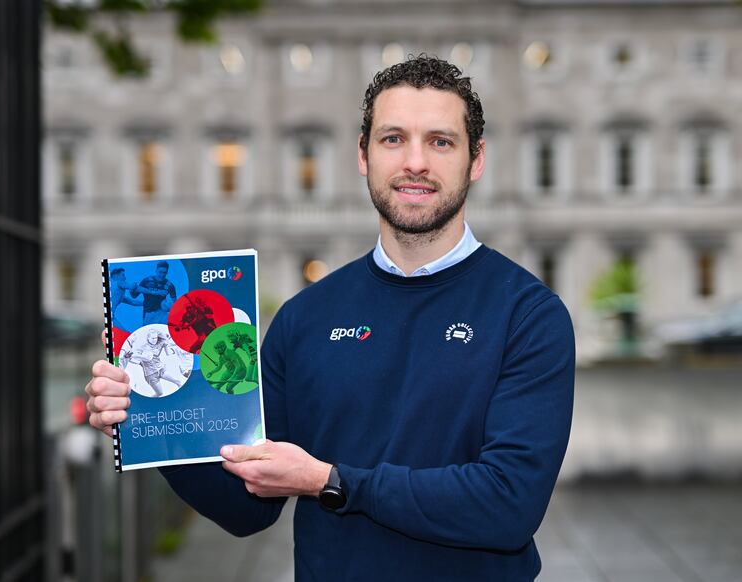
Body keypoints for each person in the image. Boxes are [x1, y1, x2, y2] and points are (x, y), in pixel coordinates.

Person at [86, 55, 575, 580]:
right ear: (363, 154)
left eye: (440, 141)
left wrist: (331, 481)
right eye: (393, 139)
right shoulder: (305, 317)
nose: (415, 162)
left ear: (475, 159)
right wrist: (152, 415)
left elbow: (508, 505)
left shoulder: (528, 315)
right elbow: (245, 508)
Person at [131, 261, 176, 325]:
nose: (162, 275)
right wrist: (132, 289)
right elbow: (134, 295)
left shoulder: (169, 285)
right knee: (148, 331)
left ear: (167, 272)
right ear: (156, 270)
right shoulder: (146, 281)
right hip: (149, 314)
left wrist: (169, 307)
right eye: (160, 272)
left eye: (164, 272)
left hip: (162, 314)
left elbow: (175, 303)